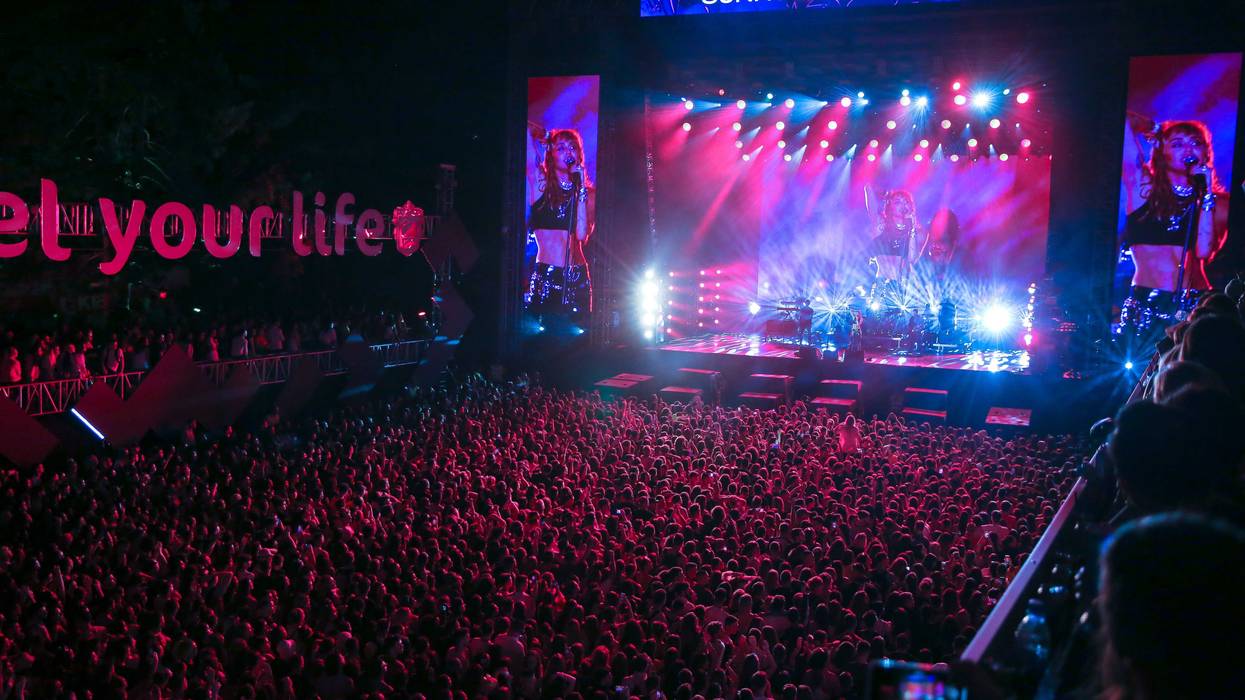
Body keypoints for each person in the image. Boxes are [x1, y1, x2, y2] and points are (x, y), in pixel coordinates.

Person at [1119, 119, 1229, 331]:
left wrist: (1205, 195)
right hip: (1147, 302)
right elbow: (1124, 120)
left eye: (1196, 143)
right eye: (1177, 144)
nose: (1188, 149)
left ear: (1206, 152)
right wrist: (1156, 130)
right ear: (1161, 152)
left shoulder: (1219, 202)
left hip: (1195, 301)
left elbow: (1204, 251)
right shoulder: (1143, 190)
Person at [525, 125, 595, 323]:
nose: (568, 152)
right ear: (551, 154)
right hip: (548, 275)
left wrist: (580, 188)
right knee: (544, 340)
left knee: (579, 341)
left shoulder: (588, 194)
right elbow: (525, 127)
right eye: (561, 148)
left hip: (578, 275)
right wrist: (548, 136)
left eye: (572, 147)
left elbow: (582, 235)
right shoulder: (540, 184)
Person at [866, 189, 925, 300]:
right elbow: (870, 202)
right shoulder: (881, 225)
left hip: (900, 288)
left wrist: (912, 228)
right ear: (890, 205)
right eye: (897, 202)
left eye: (905, 202)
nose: (902, 205)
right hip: (881, 284)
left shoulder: (913, 230)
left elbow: (912, 258)